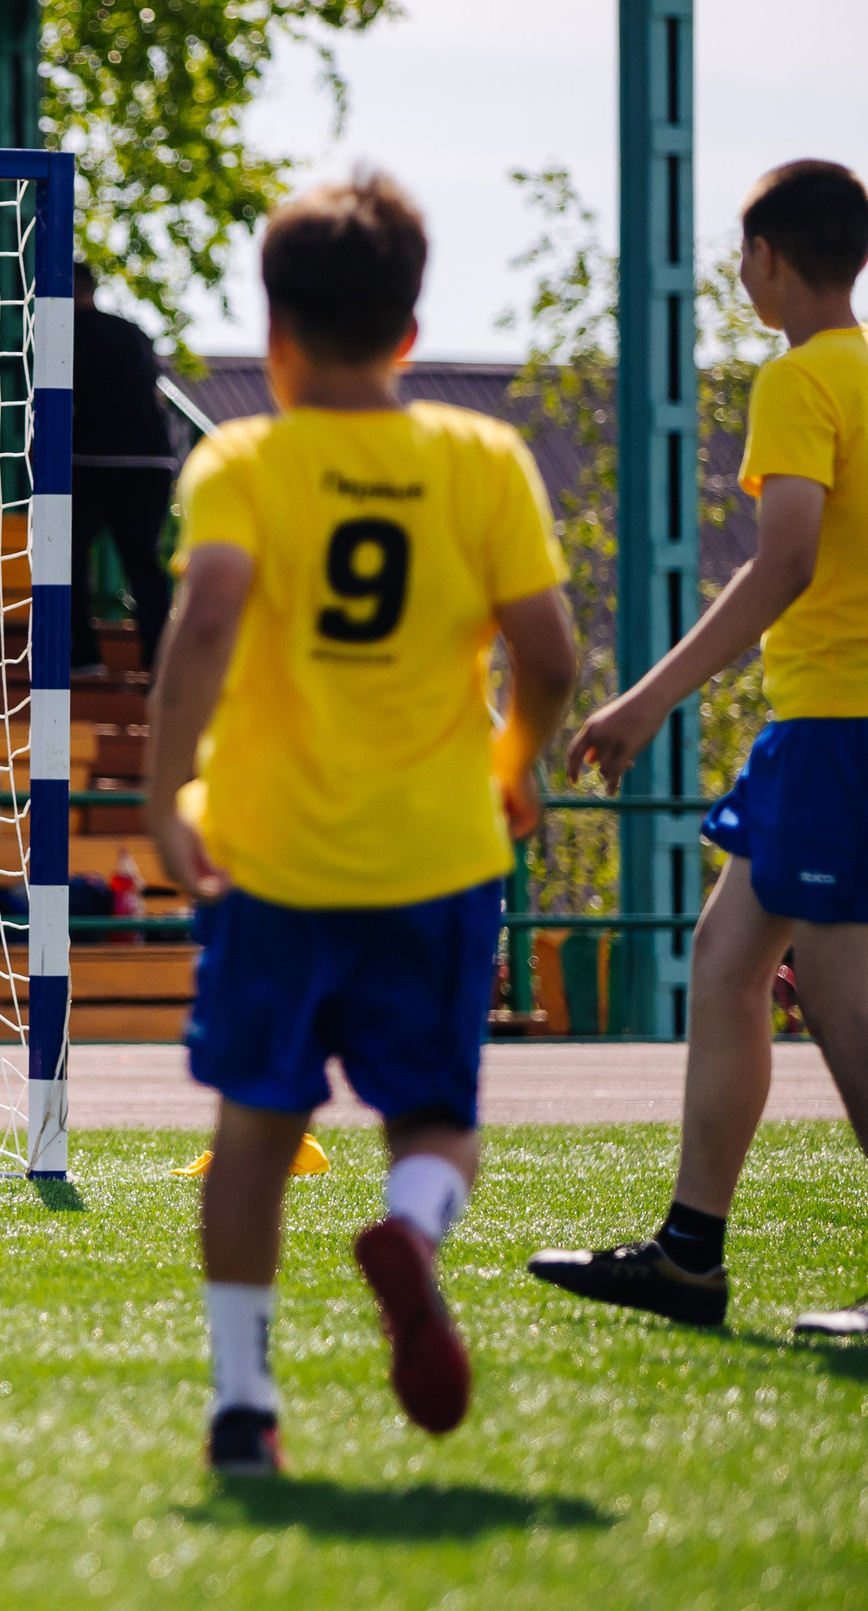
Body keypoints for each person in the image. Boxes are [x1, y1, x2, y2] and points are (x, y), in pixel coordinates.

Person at [145, 172, 577, 1475]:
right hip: (439, 854)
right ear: (409, 330)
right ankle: (414, 1226)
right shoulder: (481, 459)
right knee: (437, 1116)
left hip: (272, 857)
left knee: (255, 1135)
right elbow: (550, 653)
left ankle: (241, 1403)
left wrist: (165, 794)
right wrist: (516, 756)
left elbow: (205, 621)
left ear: (274, 335)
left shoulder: (242, 459)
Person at [530, 161, 868, 1341]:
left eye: (742, 250)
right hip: (854, 710)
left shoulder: (802, 376)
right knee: (725, 962)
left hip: (849, 718)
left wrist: (648, 699)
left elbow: (787, 562)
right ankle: (687, 1256)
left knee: (838, 999)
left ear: (769, 258)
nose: (737, 269)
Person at [70, 265, 177, 671]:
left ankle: (81, 656)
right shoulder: (132, 331)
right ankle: (160, 662)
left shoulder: (67, 332)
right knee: (143, 562)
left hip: (93, 458)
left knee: (70, 557)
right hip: (150, 459)